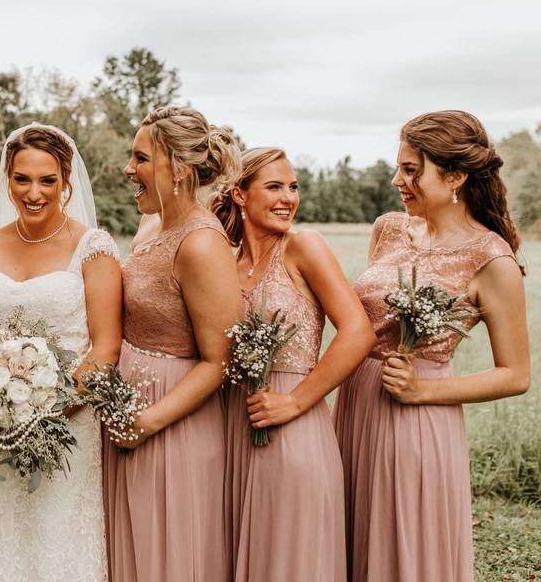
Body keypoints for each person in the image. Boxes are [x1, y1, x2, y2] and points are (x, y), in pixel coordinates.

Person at [333, 110, 530, 581]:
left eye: (411, 170)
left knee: (400, 545)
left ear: (456, 175)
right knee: (349, 536)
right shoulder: (389, 228)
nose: (397, 179)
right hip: (357, 398)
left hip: (416, 416)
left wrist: (421, 391)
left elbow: (516, 374)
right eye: (399, 167)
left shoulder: (491, 259)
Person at [0, 123, 122, 581]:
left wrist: (48, 409)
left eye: (47, 180)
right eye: (22, 179)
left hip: (69, 423)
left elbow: (105, 345)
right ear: (7, 179)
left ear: (66, 181)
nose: (33, 193)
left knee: (58, 540)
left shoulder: (93, 248)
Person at [214, 147, 374, 581]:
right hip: (232, 426)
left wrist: (295, 402)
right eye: (274, 186)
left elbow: (358, 331)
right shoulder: (223, 265)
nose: (288, 197)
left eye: (293, 187)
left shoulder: (304, 247)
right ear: (240, 194)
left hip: (293, 426)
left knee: (290, 560)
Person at [105, 106, 241, 582]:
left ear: (179, 169)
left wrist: (147, 422)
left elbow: (220, 360)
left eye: (140, 158)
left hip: (173, 422)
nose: (128, 169)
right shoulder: (151, 227)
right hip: (130, 417)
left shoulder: (202, 244)